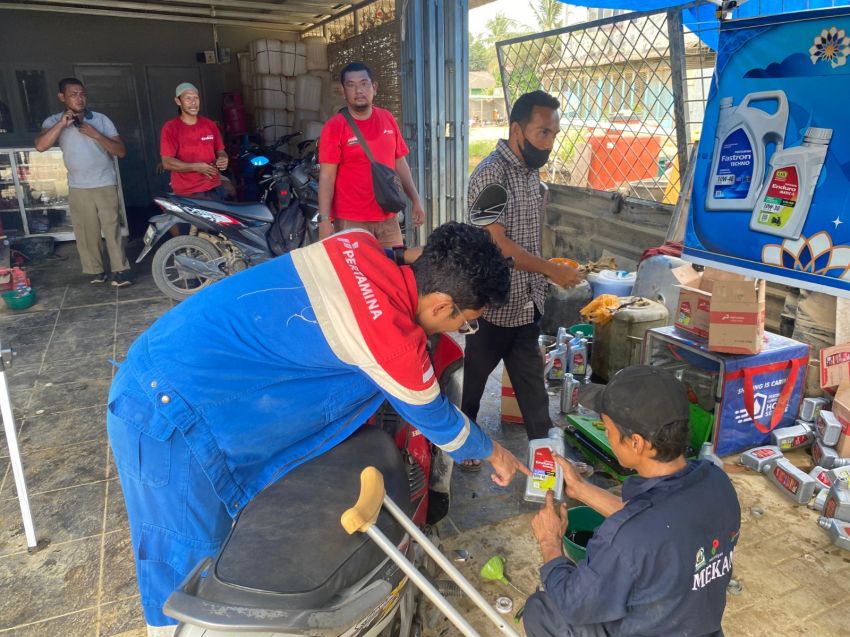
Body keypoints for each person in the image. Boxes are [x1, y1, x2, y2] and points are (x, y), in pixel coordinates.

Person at [107, 222, 530, 635]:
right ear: (440, 305)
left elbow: (398, 256)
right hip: (165, 412)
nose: (461, 329)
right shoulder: (393, 340)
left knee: (219, 545)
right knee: (183, 570)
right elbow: (437, 419)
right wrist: (496, 453)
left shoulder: (355, 243)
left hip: (175, 364)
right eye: (466, 321)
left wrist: (412, 255)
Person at [525, 365, 742, 637]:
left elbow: (573, 604)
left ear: (636, 442)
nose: (607, 435)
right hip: (697, 626)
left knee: (542, 610)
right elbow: (656, 521)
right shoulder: (717, 482)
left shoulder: (625, 539)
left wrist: (549, 542)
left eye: (608, 429)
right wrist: (580, 489)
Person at [460, 90, 583, 470]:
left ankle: (548, 460)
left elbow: (530, 234)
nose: (549, 142)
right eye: (542, 133)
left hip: (527, 302)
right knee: (473, 386)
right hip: (491, 305)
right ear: (517, 129)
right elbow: (498, 246)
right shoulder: (490, 177)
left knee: (532, 390)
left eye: (554, 134)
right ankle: (463, 445)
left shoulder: (532, 174)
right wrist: (550, 270)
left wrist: (547, 268)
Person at [35, 77, 131, 287]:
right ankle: (96, 270)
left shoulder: (101, 120)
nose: (79, 98)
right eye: (73, 94)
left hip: (105, 182)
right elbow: (41, 146)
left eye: (82, 94)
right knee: (87, 232)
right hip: (78, 185)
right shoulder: (53, 121)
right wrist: (62, 124)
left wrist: (96, 134)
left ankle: (119, 270)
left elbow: (120, 151)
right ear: (62, 97)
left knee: (112, 228)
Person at [317, 61, 425, 247]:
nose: (358, 90)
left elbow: (400, 163)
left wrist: (416, 200)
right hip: (351, 222)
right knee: (357, 275)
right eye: (351, 85)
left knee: (393, 270)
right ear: (343, 91)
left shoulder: (387, 119)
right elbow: (327, 176)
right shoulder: (335, 127)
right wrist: (325, 220)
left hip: (388, 219)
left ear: (374, 87)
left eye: (364, 83)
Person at [160, 82, 229, 200]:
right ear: (178, 101)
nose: (193, 102)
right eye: (188, 98)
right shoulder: (171, 128)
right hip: (188, 192)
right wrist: (195, 167)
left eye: (196, 98)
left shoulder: (209, 125)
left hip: (214, 187)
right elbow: (167, 162)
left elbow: (220, 150)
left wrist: (223, 159)